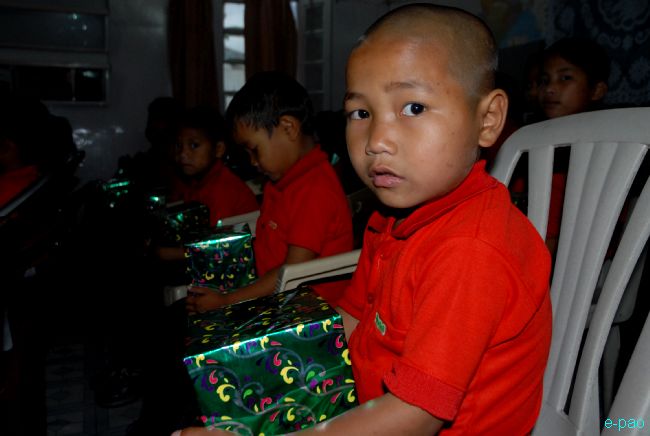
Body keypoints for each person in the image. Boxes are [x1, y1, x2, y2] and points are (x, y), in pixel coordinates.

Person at [174, 3, 552, 435]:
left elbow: (416, 415)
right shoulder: (391, 217)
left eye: (413, 108)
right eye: (361, 113)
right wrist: (276, 382)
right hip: (370, 404)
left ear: (488, 120)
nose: (376, 140)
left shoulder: (471, 251)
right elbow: (351, 319)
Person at [185, 71, 354, 313]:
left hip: (306, 311)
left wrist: (228, 300)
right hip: (279, 295)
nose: (253, 162)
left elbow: (292, 272)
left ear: (288, 128)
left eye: (254, 150)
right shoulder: (285, 179)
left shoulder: (315, 190)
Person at [152, 105, 260, 264]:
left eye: (194, 145)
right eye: (178, 146)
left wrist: (170, 254)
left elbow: (215, 247)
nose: (183, 154)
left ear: (218, 149)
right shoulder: (195, 181)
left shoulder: (223, 188)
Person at [537, 36, 611, 257]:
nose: (550, 88)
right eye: (544, 80)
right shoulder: (534, 142)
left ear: (597, 90)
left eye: (565, 78)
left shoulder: (607, 147)